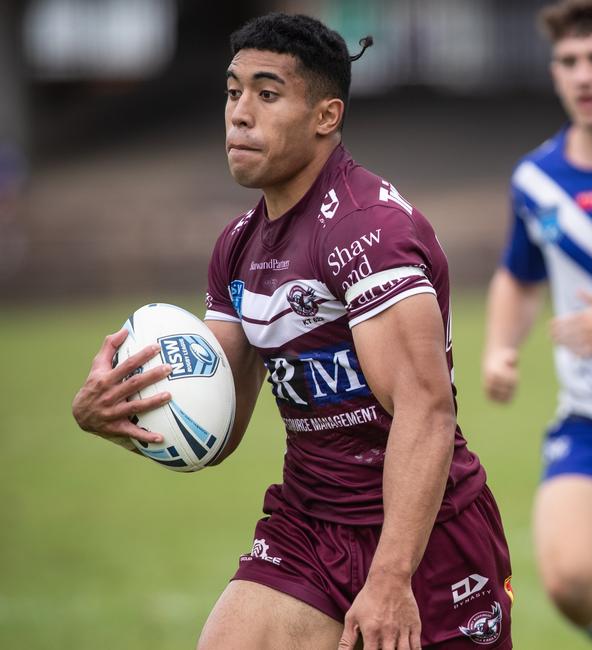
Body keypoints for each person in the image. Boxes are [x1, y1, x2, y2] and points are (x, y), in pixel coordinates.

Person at [73, 13, 513, 650]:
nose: (240, 114)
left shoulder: (368, 231)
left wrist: (391, 577)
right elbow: (213, 424)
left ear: (326, 116)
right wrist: (116, 408)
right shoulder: (238, 246)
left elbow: (427, 409)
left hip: (425, 534)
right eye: (233, 92)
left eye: (267, 93)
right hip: (307, 523)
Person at [482, 1, 592, 647]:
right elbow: (519, 276)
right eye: (569, 61)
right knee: (570, 580)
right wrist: (501, 347)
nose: (584, 75)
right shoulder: (537, 181)